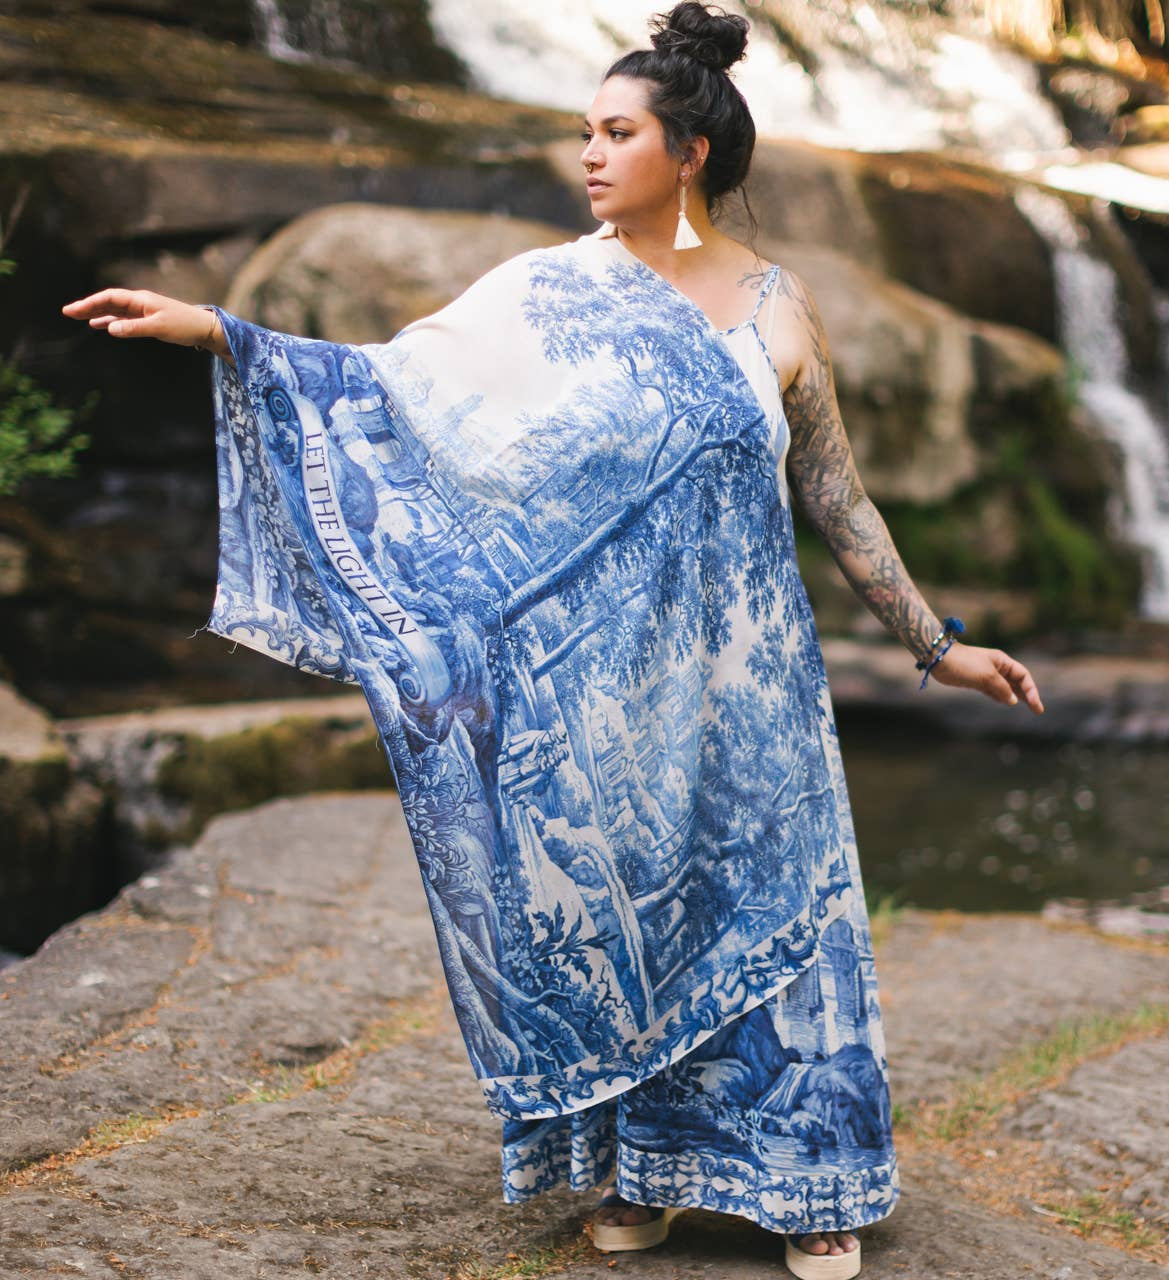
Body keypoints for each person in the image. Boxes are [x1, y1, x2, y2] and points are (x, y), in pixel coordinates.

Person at [63, 4, 1044, 1275]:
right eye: (584, 130)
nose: (588, 154)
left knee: (777, 914)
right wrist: (219, 332)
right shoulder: (545, 292)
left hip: (753, 691)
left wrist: (934, 644)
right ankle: (646, 1172)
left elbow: (834, 494)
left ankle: (813, 1184)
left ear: (687, 153)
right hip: (605, 696)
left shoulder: (778, 305)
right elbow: (395, 392)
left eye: (616, 132)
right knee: (637, 919)